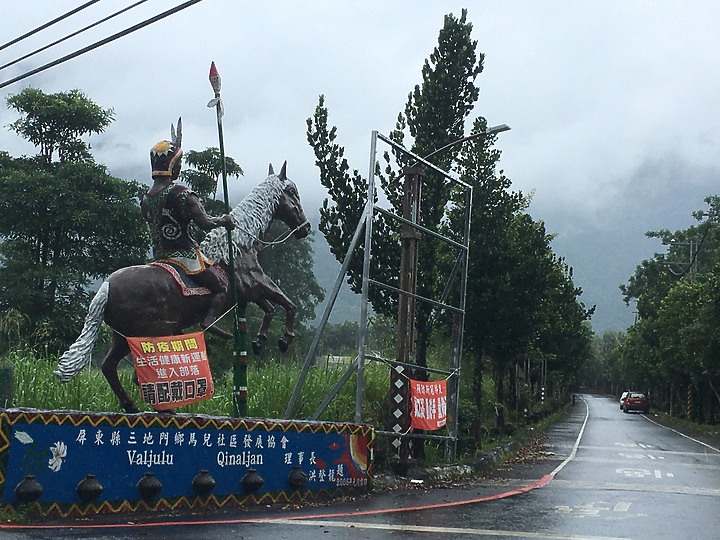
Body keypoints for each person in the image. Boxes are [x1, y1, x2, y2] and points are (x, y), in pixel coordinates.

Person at [141, 118, 234, 334]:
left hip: (159, 256)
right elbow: (206, 223)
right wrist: (225, 220)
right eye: (178, 165)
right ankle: (209, 320)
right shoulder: (182, 194)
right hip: (184, 257)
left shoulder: (146, 198)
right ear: (172, 167)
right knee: (221, 285)